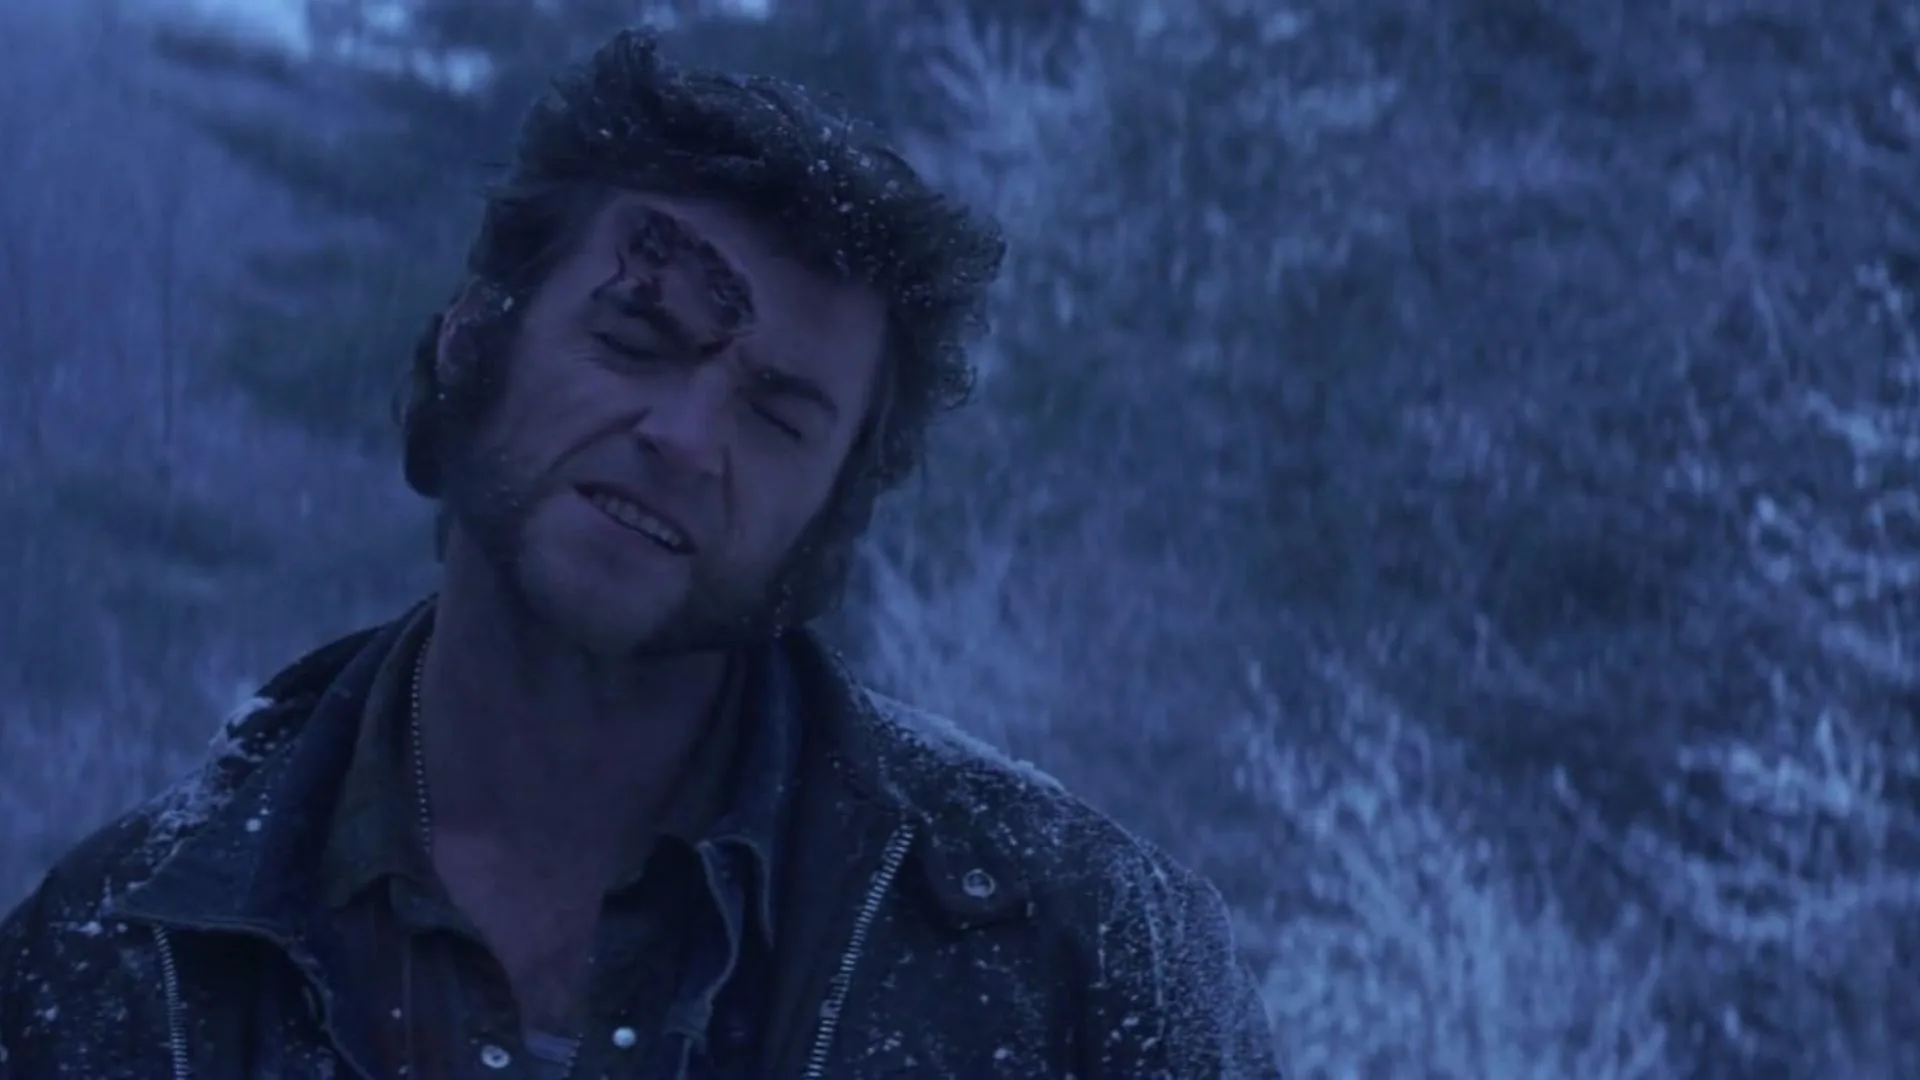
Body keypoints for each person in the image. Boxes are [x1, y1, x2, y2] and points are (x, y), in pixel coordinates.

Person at [0, 30, 1280, 1080]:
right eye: (633, 340)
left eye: (778, 416)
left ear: (835, 510)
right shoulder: (110, 963)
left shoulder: (1084, 961)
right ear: (473, 337)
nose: (685, 439)